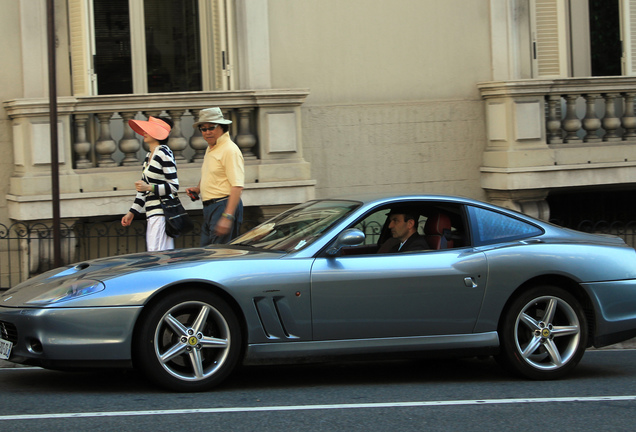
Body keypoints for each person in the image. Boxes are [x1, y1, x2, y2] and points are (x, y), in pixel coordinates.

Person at [185, 107, 244, 246]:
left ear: (222, 127)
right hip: (211, 208)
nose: (207, 132)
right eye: (203, 129)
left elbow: (237, 186)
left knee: (219, 255)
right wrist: (198, 189)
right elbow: (209, 172)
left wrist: (227, 216)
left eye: (211, 127)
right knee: (208, 253)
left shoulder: (230, 150)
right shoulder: (212, 147)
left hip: (223, 206)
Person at [121, 116, 178, 251]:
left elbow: (173, 186)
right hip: (152, 215)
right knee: (156, 257)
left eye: (148, 129)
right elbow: (143, 189)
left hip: (161, 214)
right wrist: (132, 213)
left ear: (158, 133)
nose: (144, 132)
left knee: (159, 259)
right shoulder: (149, 156)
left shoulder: (164, 153)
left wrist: (149, 187)